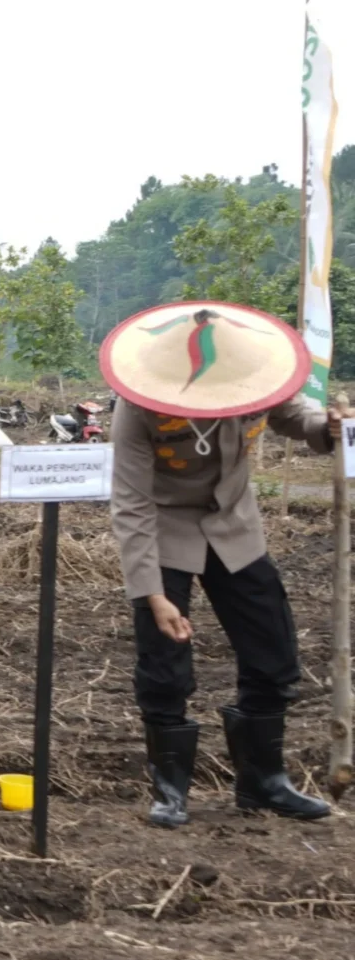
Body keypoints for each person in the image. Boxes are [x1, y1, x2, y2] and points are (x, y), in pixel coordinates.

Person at [100, 301, 347, 825]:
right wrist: (152, 593)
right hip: (165, 532)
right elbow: (132, 501)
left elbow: (294, 417)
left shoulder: (256, 381)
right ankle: (171, 792)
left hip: (235, 529)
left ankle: (263, 783)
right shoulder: (140, 405)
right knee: (164, 666)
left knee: (273, 652)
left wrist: (327, 426)